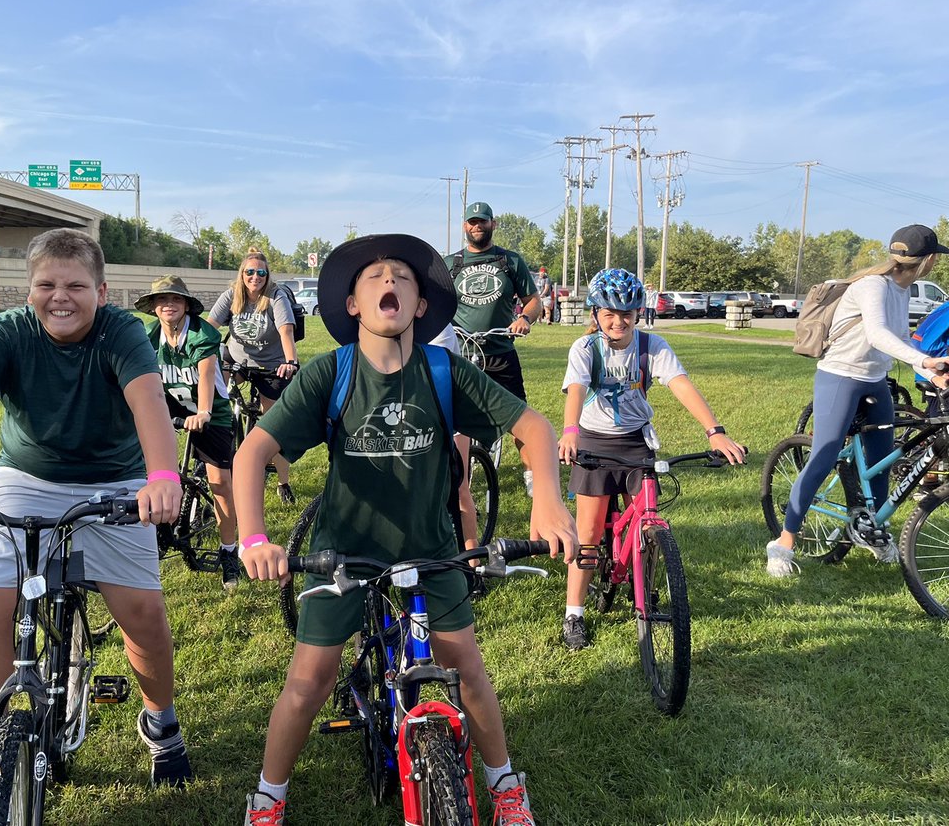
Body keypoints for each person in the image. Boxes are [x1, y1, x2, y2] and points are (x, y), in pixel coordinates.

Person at [234, 233, 578, 826]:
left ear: (420, 304)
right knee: (309, 682)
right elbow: (252, 452)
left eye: (403, 276)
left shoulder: (444, 369)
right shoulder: (330, 373)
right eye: (374, 277)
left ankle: (505, 788)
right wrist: (254, 537)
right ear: (352, 304)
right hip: (342, 552)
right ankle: (268, 798)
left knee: (467, 668)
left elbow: (535, 427)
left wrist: (547, 499)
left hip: (431, 546)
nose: (388, 281)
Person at [0, 228, 192, 826]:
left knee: (143, 615)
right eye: (46, 284)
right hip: (25, 477)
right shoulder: (5, 332)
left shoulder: (123, 332)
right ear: (29, 290)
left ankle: (161, 720)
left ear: (101, 291)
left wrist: (162, 476)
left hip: (119, 481)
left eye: (75, 285)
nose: (60, 296)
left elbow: (149, 400)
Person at [558, 268, 746, 650]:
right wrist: (570, 431)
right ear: (595, 314)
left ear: (638, 313)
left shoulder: (651, 346)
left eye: (626, 313)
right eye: (609, 313)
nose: (618, 321)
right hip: (593, 442)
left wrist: (715, 430)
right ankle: (573, 613)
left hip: (635, 443)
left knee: (645, 524)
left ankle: (642, 585)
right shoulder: (585, 349)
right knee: (590, 535)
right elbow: (576, 390)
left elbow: (681, 385)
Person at [766, 224, 949, 577]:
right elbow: (877, 334)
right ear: (925, 260)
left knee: (881, 459)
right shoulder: (871, 286)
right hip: (841, 377)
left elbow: (898, 340)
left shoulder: (902, 289)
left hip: (874, 380)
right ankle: (784, 542)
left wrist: (932, 373)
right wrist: (925, 360)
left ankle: (874, 531)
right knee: (824, 453)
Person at [136, 274, 241, 590]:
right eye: (162, 299)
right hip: (171, 407)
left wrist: (204, 412)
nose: (168, 304)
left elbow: (207, 374)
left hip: (212, 413)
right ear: (154, 307)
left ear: (186, 305)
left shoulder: (201, 334)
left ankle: (229, 552)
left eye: (175, 299)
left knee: (219, 482)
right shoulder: (151, 336)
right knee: (146, 473)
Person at [445, 201, 543, 500]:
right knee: (450, 416)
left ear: (493, 224)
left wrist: (524, 318)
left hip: (500, 350)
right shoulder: (450, 264)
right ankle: (452, 473)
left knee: (519, 416)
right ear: (465, 226)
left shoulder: (510, 261)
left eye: (483, 221)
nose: (477, 226)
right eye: (472, 222)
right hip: (460, 352)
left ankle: (531, 477)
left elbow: (533, 300)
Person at [208, 249, 300, 504]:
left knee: (273, 425)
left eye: (261, 272)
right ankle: (217, 447)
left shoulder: (275, 296)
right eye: (250, 272)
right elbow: (209, 327)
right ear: (242, 274)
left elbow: (286, 331)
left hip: (271, 364)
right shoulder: (232, 296)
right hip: (236, 359)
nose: (255, 277)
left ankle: (283, 481)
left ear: (267, 275)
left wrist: (291, 361)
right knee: (214, 396)